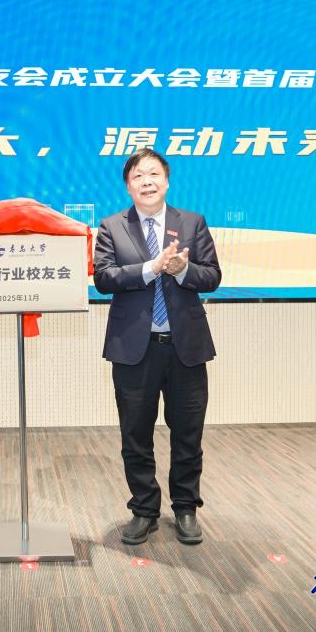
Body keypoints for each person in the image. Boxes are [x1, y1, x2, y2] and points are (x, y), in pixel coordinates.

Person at [93, 147, 222, 546]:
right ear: (128, 186)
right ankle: (144, 510)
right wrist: (151, 268)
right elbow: (104, 278)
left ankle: (185, 507)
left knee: (188, 433)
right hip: (135, 349)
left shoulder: (192, 223)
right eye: (138, 176)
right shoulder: (112, 226)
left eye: (153, 174)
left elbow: (212, 276)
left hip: (186, 348)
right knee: (135, 434)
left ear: (166, 181)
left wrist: (184, 271)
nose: (146, 182)